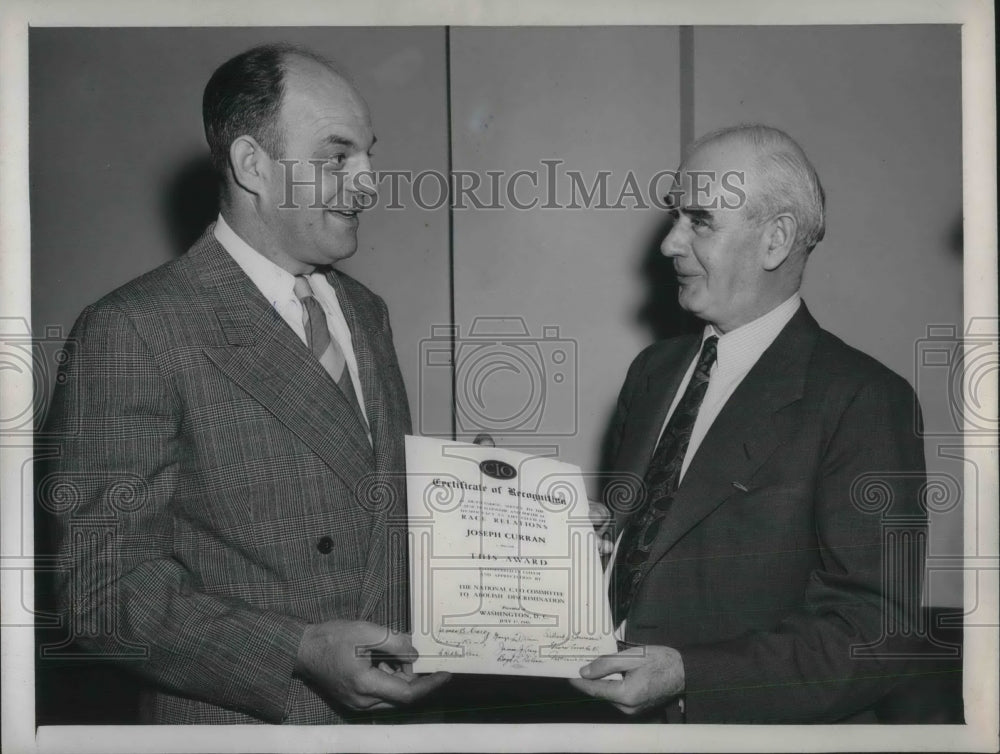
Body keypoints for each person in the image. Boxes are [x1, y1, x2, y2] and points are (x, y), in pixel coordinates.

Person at [46, 43, 449, 724]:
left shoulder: (364, 313)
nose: (369, 183)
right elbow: (104, 590)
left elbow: (368, 517)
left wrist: (505, 524)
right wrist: (296, 648)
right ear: (252, 165)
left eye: (369, 156)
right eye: (337, 157)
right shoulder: (133, 328)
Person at [571, 125, 927, 723]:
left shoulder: (863, 398)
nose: (668, 244)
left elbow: (876, 632)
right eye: (674, 217)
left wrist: (690, 675)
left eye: (699, 221)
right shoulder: (653, 372)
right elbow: (644, 547)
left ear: (775, 241)